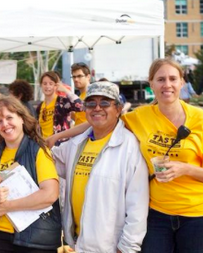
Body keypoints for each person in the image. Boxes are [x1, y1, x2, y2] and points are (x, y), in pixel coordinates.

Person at [47, 58, 203, 253]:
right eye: (160, 79)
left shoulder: (202, 120)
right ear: (151, 83)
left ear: (182, 83)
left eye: (172, 79)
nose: (167, 85)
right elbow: (100, 119)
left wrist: (185, 168)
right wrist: (56, 137)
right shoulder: (140, 117)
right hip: (158, 214)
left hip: (199, 215)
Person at [51, 81, 149, 252]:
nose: (97, 108)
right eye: (90, 103)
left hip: (110, 246)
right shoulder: (76, 143)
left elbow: (138, 205)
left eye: (105, 102)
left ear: (118, 109)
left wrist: (127, 247)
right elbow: (50, 160)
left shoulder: (129, 147)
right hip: (78, 243)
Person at [0, 96, 61, 253]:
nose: (5, 124)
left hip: (35, 237)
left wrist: (8, 206)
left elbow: (50, 194)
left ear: (22, 118)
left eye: (9, 117)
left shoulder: (38, 151)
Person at [36, 71, 84, 144]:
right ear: (41, 85)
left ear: (56, 85)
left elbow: (80, 106)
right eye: (44, 83)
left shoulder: (62, 102)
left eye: (51, 84)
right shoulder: (40, 107)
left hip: (60, 146)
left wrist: (65, 90)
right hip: (44, 145)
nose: (47, 86)